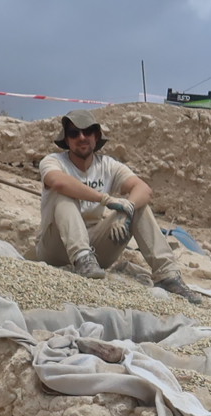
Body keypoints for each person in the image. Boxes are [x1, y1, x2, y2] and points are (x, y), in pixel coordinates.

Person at [37, 115, 201, 302]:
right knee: (63, 194)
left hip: (95, 249)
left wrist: (126, 210)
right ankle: (82, 258)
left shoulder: (107, 165)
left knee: (137, 206)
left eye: (87, 131)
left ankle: (167, 274)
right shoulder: (53, 161)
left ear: (96, 136)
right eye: (74, 133)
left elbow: (143, 189)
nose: (81, 137)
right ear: (67, 140)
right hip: (56, 246)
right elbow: (58, 182)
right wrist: (104, 199)